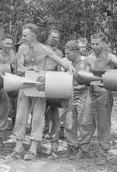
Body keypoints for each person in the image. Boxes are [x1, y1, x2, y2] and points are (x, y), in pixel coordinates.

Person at [9, 23, 75, 161]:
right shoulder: (22, 49)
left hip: (39, 86)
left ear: (34, 36)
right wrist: (30, 69)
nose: (22, 37)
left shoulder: (45, 49)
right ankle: (19, 146)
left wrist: (70, 68)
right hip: (25, 84)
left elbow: (62, 62)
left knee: (38, 117)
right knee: (21, 116)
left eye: (25, 35)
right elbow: (19, 68)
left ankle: (33, 148)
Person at [76, 32, 117, 166]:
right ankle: (83, 149)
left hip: (104, 94)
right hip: (90, 93)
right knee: (85, 122)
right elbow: (83, 74)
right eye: (92, 44)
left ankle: (103, 153)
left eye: (97, 44)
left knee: (103, 125)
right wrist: (82, 77)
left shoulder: (109, 57)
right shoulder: (89, 58)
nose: (94, 46)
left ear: (104, 44)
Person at [63, 40, 89, 158]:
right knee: (69, 123)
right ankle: (71, 146)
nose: (66, 56)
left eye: (68, 53)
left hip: (83, 95)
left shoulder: (85, 63)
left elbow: (90, 81)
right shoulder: (68, 64)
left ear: (75, 52)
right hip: (71, 95)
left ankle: (83, 149)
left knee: (83, 123)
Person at [0, 34, 17, 147]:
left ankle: (0, 139)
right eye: (7, 43)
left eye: (11, 44)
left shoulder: (14, 56)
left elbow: (16, 71)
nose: (9, 46)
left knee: (3, 113)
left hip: (6, 88)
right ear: (1, 43)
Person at [44, 29, 65, 154]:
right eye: (53, 37)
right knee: (36, 113)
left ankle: (54, 142)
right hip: (39, 82)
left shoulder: (59, 52)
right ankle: (32, 143)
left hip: (52, 84)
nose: (55, 39)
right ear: (48, 37)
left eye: (57, 38)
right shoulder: (41, 48)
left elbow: (59, 69)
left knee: (53, 113)